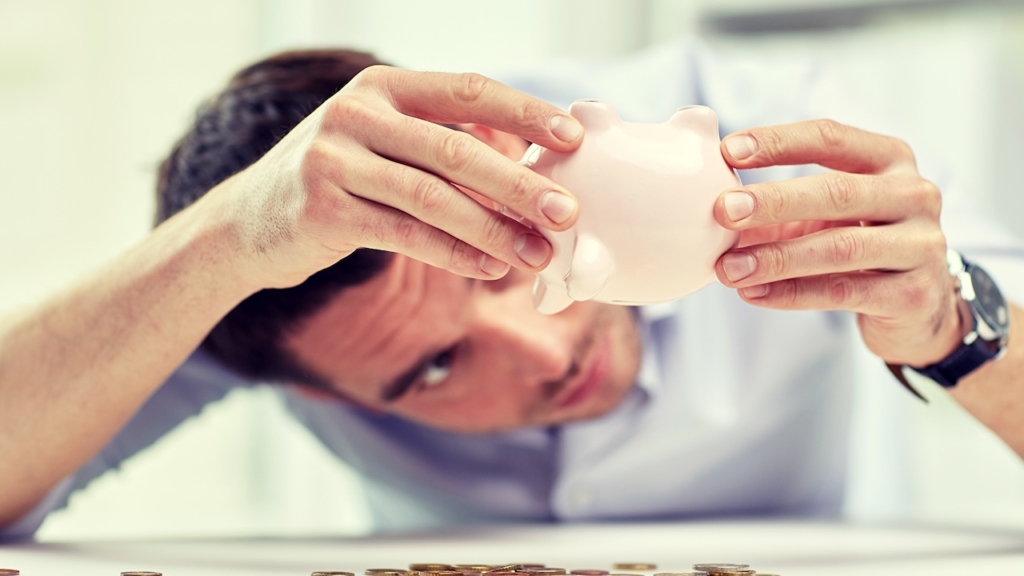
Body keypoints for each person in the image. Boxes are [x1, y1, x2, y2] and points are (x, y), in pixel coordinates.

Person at [1, 44, 1022, 538]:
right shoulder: (259, 303)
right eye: (433, 366)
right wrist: (220, 240)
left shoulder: (772, 142)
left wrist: (948, 324)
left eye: (512, 256)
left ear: (506, 154)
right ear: (316, 395)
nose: (545, 352)